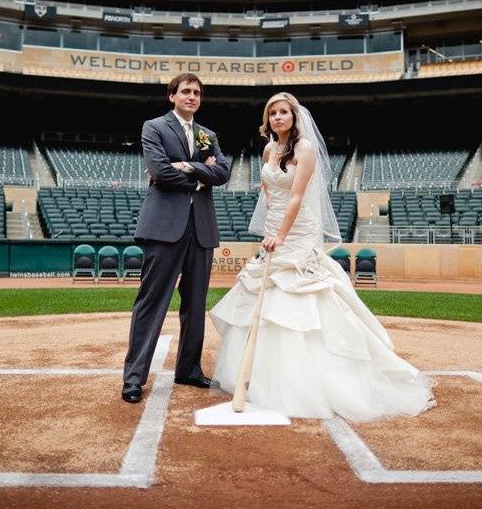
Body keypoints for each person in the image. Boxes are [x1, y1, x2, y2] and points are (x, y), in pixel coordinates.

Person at [209, 92, 435, 421]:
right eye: (273, 113)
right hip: (275, 226)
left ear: (294, 116)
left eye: (284, 112)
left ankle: (311, 377)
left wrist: (282, 235)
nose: (278, 118)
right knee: (265, 293)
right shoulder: (269, 149)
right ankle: (258, 374)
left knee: (299, 291)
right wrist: (271, 220)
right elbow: (270, 191)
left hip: (298, 230)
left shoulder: (305, 149)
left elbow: (298, 196)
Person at [122, 73, 230, 403]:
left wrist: (189, 167)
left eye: (197, 92)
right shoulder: (153, 127)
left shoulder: (207, 135)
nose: (191, 96)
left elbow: (223, 173)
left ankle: (189, 369)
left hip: (201, 229)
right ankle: (134, 377)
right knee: (152, 302)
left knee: (195, 304)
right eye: (185, 91)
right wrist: (201, 174)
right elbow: (159, 169)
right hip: (164, 226)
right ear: (172, 96)